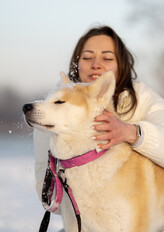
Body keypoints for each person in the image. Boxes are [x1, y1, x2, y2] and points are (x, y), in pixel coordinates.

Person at [33, 25, 164, 229]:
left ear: (121, 65)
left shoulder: (143, 99)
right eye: (86, 57)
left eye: (107, 58)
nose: (96, 64)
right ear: (77, 63)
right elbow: (49, 198)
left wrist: (133, 133)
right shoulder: (56, 112)